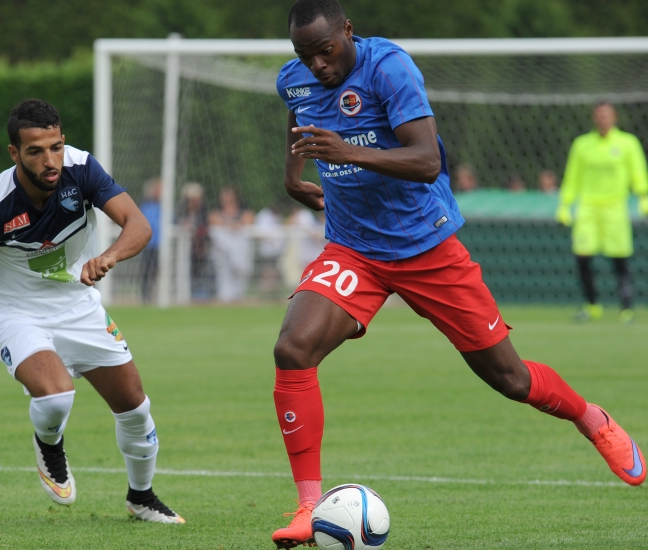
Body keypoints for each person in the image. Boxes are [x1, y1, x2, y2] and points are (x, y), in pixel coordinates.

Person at [270, 2, 645, 547]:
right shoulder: (296, 78)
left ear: (348, 31)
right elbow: (298, 116)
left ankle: (592, 418)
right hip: (353, 247)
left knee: (511, 380)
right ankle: (308, 507)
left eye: (326, 52)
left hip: (426, 247)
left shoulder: (389, 68)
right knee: (292, 348)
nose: (318, 66)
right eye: (306, 56)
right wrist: (291, 177)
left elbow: (425, 162)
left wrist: (347, 150)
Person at [0, 99, 184, 524]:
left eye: (56, 147)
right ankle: (49, 444)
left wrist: (108, 257)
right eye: (36, 151)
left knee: (135, 407)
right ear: (14, 153)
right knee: (57, 395)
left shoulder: (83, 170)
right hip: (12, 310)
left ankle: (141, 496)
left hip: (77, 306)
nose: (50, 160)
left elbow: (138, 224)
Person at [555, 102, 648, 323]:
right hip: (588, 208)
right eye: (599, 115)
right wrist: (565, 205)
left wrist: (644, 196)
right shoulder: (582, 145)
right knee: (583, 256)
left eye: (607, 115)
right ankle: (592, 305)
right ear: (594, 118)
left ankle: (626, 309)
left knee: (620, 258)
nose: (603, 119)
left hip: (615, 207)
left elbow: (638, 173)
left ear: (614, 117)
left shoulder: (627, 143)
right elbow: (572, 177)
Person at [208, 187, 254, 302]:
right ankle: (225, 298)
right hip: (223, 253)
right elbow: (213, 219)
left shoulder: (243, 210)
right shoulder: (217, 211)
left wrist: (232, 225)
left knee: (240, 274)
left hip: (240, 249)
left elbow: (249, 219)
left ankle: (239, 297)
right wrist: (231, 225)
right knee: (224, 279)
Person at [176, 182, 213, 300]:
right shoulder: (181, 212)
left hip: (200, 250)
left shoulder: (203, 213)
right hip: (183, 251)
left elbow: (206, 228)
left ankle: (201, 297)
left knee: (201, 275)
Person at [138, 178, 161, 304]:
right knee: (147, 272)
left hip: (160, 245)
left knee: (158, 272)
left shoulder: (164, 207)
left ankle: (156, 295)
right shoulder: (146, 206)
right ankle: (146, 296)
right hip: (149, 245)